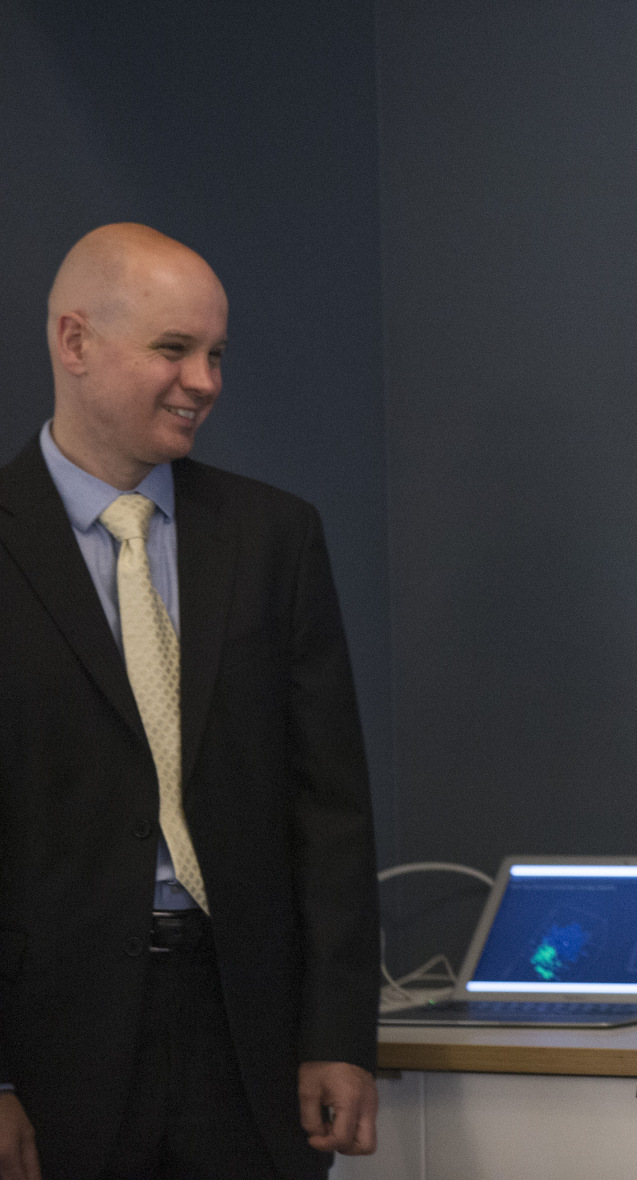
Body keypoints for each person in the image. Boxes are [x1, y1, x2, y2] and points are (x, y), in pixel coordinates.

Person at [0, 224, 381, 1180]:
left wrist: (338, 1031)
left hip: (247, 1045)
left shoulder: (273, 539)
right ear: (75, 342)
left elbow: (328, 807)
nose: (204, 381)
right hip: (51, 1059)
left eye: (215, 354)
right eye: (174, 350)